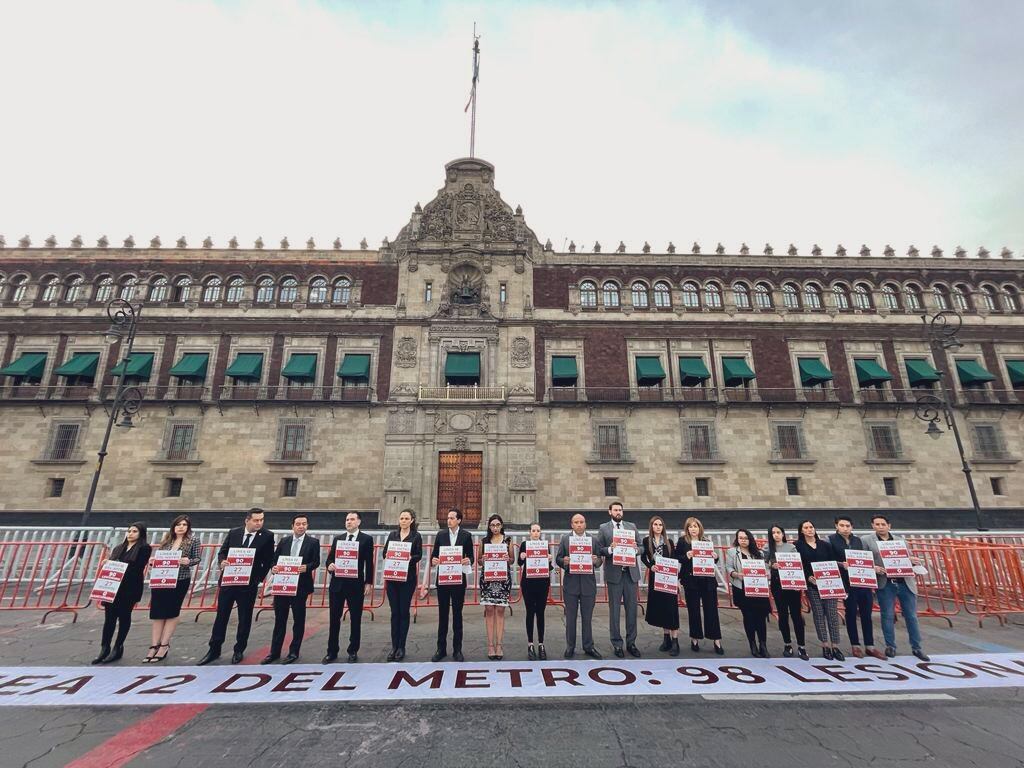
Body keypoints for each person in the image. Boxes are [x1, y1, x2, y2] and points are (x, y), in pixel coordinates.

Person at [198, 507, 275, 665]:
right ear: (247, 520)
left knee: (245, 618)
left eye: (261, 520)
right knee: (221, 616)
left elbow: (268, 560)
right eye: (256, 520)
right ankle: (214, 648)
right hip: (229, 582)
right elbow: (222, 552)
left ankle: (239, 649)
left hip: (248, 585)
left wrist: (257, 579)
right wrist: (222, 562)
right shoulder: (234, 532)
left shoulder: (267, 536)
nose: (259, 523)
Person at [862, 514, 930, 661]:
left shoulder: (900, 541)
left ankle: (916, 647)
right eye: (877, 524)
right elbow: (863, 560)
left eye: (883, 524)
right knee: (887, 616)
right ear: (872, 526)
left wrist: (913, 561)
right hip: (885, 582)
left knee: (911, 616)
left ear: (889, 526)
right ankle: (890, 646)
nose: (880, 527)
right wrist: (874, 567)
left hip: (905, 582)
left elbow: (910, 559)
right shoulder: (866, 540)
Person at [262, 514, 320, 664]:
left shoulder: (313, 542)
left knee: (298, 620)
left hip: (301, 586)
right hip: (283, 585)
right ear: (292, 526)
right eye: (298, 524)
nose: (301, 526)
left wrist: (306, 567)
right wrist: (273, 567)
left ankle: (294, 651)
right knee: (279, 620)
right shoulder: (284, 541)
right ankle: (274, 652)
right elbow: (274, 559)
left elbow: (316, 562)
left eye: (304, 524)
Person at [419, 507, 475, 662]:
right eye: (448, 517)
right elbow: (434, 555)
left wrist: (468, 560)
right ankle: (441, 649)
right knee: (442, 615)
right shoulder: (441, 534)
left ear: (459, 520)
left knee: (458, 615)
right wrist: (434, 560)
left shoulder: (466, 536)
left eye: (452, 518)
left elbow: (471, 556)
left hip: (458, 581)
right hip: (443, 580)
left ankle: (457, 650)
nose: (448, 520)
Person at [92, 523, 152, 664]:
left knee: (124, 617)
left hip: (130, 588)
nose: (130, 533)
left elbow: (138, 568)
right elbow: (111, 567)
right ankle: (104, 647)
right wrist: (108, 563)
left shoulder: (144, 548)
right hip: (113, 588)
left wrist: (117, 565)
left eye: (134, 531)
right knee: (109, 619)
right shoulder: (118, 548)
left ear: (141, 533)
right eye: (129, 531)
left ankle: (118, 647)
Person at [146, 514, 200, 663]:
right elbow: (160, 556)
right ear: (173, 526)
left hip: (180, 579)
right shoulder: (166, 539)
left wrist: (187, 561)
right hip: (161, 579)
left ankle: (164, 645)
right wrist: (153, 561)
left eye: (184, 525)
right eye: (178, 524)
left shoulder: (193, 540)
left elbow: (197, 558)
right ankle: (154, 645)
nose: (181, 527)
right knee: (157, 612)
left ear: (188, 527)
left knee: (172, 611)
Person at [828, 516, 884, 660]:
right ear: (836, 526)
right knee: (851, 613)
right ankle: (855, 645)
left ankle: (870, 646)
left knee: (866, 614)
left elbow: (864, 558)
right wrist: (841, 564)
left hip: (863, 581)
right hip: (846, 583)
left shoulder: (858, 540)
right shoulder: (830, 540)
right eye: (842, 525)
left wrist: (873, 567)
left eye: (848, 525)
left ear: (851, 527)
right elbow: (828, 559)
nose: (845, 528)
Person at [324, 511, 375, 663]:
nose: (349, 522)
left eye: (352, 519)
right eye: (347, 519)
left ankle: (353, 650)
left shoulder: (366, 539)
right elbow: (330, 559)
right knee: (334, 618)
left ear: (359, 522)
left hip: (355, 585)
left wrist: (369, 582)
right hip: (338, 584)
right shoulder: (338, 539)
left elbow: (369, 562)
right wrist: (329, 565)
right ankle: (331, 651)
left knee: (355, 618)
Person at [596, 501, 641, 658]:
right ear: (610, 512)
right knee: (614, 611)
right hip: (615, 575)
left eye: (620, 510)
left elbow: (641, 547)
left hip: (630, 574)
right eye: (615, 510)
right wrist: (610, 549)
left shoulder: (631, 526)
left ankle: (631, 642)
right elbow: (598, 548)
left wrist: (636, 549)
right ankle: (617, 644)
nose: (618, 512)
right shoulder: (604, 528)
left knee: (632, 610)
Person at [795, 520, 844, 661]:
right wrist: (807, 577)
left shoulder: (825, 545)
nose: (809, 529)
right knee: (819, 615)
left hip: (829, 584)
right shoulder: (798, 546)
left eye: (811, 527)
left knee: (832, 615)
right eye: (806, 527)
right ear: (801, 531)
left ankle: (835, 645)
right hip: (812, 585)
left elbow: (832, 562)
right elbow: (800, 565)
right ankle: (825, 645)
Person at [555, 513, 603, 659]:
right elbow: (558, 558)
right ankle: (570, 647)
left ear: (585, 524)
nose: (579, 525)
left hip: (588, 584)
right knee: (571, 618)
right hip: (571, 584)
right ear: (572, 524)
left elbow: (600, 560)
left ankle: (588, 646)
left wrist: (596, 561)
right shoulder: (565, 539)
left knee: (587, 618)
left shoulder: (593, 540)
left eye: (581, 522)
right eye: (576, 522)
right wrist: (564, 561)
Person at [677, 516, 723, 654]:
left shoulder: (706, 541)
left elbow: (712, 561)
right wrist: (687, 556)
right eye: (690, 526)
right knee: (694, 610)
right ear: (687, 529)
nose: (693, 529)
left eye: (695, 526)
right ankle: (695, 638)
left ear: (699, 528)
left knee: (711, 611)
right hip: (691, 581)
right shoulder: (682, 541)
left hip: (707, 580)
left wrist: (716, 557)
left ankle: (716, 640)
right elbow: (677, 557)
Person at [725, 528, 771, 658]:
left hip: (758, 589)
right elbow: (729, 567)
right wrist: (736, 574)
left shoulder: (758, 553)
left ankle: (763, 644)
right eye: (740, 538)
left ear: (750, 539)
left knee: (761, 617)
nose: (743, 540)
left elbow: (765, 567)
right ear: (737, 539)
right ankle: (752, 644)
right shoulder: (732, 552)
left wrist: (767, 573)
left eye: (745, 538)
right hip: (742, 588)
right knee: (749, 617)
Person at [765, 524, 808, 661]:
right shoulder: (768, 548)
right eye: (773, 533)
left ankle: (801, 646)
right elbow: (762, 563)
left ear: (783, 534)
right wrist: (771, 565)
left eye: (778, 532)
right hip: (778, 584)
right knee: (783, 614)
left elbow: (798, 563)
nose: (776, 535)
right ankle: (787, 643)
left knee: (796, 615)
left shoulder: (791, 547)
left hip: (792, 583)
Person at [384, 509, 423, 661]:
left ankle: (402, 646)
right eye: (401, 518)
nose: (404, 521)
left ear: (412, 520)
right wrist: (388, 555)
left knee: (403, 611)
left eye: (407, 518)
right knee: (394, 612)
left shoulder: (416, 536)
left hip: (407, 578)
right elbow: (385, 552)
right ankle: (394, 646)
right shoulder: (392, 535)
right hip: (392, 578)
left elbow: (419, 555)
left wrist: (408, 558)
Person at [640, 516, 680, 656]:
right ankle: (666, 638)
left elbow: (674, 560)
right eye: (655, 524)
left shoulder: (668, 542)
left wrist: (676, 580)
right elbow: (643, 557)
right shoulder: (646, 541)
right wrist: (650, 566)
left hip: (668, 578)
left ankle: (675, 641)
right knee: (662, 608)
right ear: (651, 526)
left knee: (671, 609)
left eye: (660, 525)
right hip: (655, 578)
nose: (658, 527)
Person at [479, 513, 514, 660]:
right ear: (489, 527)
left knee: (500, 611)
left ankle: (499, 644)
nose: (495, 528)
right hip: (487, 579)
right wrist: (483, 559)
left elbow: (512, 560)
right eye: (492, 525)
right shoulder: (484, 541)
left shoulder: (508, 541)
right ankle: (490, 645)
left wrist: (508, 558)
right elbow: (479, 562)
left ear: (502, 526)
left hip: (502, 579)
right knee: (488, 610)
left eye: (498, 525)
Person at [517, 522, 552, 660]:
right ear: (529, 532)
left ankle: (541, 644)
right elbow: (519, 563)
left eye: (538, 530)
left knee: (541, 612)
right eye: (533, 530)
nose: (536, 533)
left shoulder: (545, 545)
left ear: (540, 532)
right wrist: (521, 557)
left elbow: (548, 567)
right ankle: (530, 643)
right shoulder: (525, 545)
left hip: (542, 582)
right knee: (530, 612)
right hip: (528, 582)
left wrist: (549, 560)